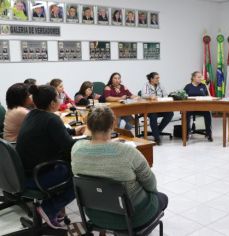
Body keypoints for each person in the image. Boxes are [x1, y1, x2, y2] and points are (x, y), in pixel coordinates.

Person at [71, 107, 168, 232]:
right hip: (133, 218)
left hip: (95, 216)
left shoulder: (77, 149)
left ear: (88, 126)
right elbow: (150, 183)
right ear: (113, 124)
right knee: (162, 197)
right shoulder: (128, 152)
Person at [16, 85, 85, 229]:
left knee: (65, 164)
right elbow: (69, 147)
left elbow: (48, 135)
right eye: (58, 97)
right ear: (53, 103)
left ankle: (52, 211)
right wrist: (88, 140)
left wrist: (72, 131)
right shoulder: (52, 119)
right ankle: (49, 208)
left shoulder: (32, 114)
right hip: (36, 177)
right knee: (80, 177)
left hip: (22, 174)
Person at [141, 72, 174, 145]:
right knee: (153, 115)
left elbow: (165, 94)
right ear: (151, 79)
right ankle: (156, 137)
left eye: (158, 78)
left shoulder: (160, 85)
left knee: (170, 113)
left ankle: (157, 131)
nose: (158, 79)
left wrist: (165, 98)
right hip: (149, 108)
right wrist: (150, 96)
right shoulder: (146, 85)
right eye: (156, 78)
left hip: (160, 107)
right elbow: (143, 95)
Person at [184, 71, 213, 141]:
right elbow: (183, 97)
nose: (201, 78)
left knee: (207, 114)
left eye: (201, 77)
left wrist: (207, 88)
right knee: (186, 114)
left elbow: (207, 97)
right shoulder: (188, 87)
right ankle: (186, 133)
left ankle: (209, 133)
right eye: (199, 77)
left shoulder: (203, 86)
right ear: (193, 78)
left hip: (201, 108)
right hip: (190, 108)